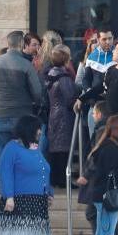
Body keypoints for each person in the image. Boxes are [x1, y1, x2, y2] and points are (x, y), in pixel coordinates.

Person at [0, 114, 54, 235]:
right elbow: (5, 173)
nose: (40, 132)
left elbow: (43, 171)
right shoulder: (11, 148)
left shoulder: (35, 148)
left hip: (37, 199)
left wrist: (48, 192)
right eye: (37, 129)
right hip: (18, 198)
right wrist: (9, 197)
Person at [0, 31, 44, 189]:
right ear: (21, 45)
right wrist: (36, 104)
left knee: (1, 149)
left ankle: (0, 183)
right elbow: (37, 92)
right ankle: (18, 183)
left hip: (0, 113)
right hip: (22, 115)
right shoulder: (26, 65)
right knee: (22, 150)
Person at [45, 45, 78, 188]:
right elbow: (70, 97)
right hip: (64, 114)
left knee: (55, 147)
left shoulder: (50, 73)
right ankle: (63, 179)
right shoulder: (63, 76)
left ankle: (55, 178)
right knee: (63, 148)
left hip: (53, 113)